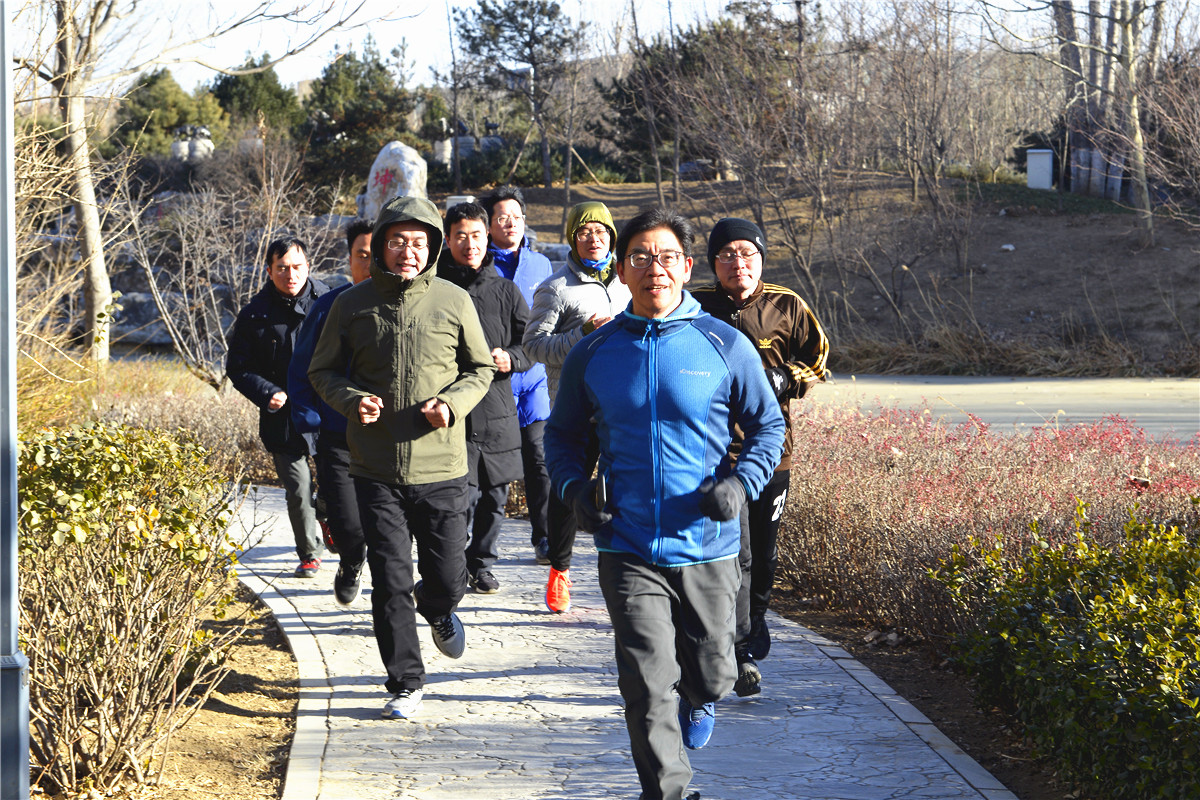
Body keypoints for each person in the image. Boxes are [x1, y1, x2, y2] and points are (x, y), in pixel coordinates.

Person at [544, 208, 785, 800]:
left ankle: (702, 696)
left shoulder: (724, 344)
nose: (655, 267)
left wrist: (741, 485)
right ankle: (668, 792)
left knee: (714, 672)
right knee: (646, 683)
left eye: (667, 256)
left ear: (686, 266)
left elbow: (768, 427)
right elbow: (562, 436)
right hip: (627, 545)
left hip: (707, 542)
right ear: (621, 269)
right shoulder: (593, 352)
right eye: (641, 257)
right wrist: (576, 491)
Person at [308, 196, 495, 720]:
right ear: (382, 246)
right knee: (390, 579)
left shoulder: (455, 300)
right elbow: (322, 371)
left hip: (443, 466)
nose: (408, 251)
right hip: (376, 466)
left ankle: (437, 607)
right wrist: (352, 400)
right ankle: (406, 681)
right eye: (397, 241)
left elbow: (480, 369)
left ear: (433, 246)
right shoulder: (352, 303)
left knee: (449, 577)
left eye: (418, 242)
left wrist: (451, 405)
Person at [692, 217, 829, 697]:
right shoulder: (694, 306)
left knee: (764, 553)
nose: (738, 263)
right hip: (711, 454)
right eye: (727, 255)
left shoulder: (787, 305)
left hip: (771, 451)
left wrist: (788, 377)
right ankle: (738, 648)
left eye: (747, 253)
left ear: (761, 258)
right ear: (713, 263)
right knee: (734, 553)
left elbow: (819, 358)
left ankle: (756, 622)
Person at [523, 201, 631, 613]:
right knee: (569, 486)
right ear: (572, 238)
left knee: (624, 484)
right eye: (584, 231)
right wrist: (583, 333)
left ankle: (625, 568)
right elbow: (534, 347)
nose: (593, 238)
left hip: (624, 403)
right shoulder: (555, 288)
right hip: (577, 404)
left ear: (612, 237)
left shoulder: (629, 280)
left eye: (601, 231)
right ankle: (560, 568)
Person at [437, 202, 532, 595]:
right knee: (459, 499)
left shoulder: (506, 291)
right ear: (448, 239)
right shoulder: (435, 288)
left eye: (476, 235)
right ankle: (451, 566)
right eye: (460, 235)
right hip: (452, 412)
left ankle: (482, 565)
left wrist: (511, 358)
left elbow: (530, 343)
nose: (469, 243)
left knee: (495, 497)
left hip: (496, 410)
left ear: (487, 236)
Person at [227, 236, 330, 578]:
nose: (291, 274)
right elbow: (238, 367)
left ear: (308, 267)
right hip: (282, 418)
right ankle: (309, 553)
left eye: (297, 266)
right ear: (269, 271)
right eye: (282, 268)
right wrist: (267, 391)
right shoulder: (254, 314)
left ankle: (329, 520)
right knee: (299, 490)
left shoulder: (331, 302)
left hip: (328, 411)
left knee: (335, 485)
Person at [287, 218, 373, 606]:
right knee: (348, 521)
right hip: (337, 436)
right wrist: (311, 426)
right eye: (361, 255)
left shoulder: (407, 307)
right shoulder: (328, 307)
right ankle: (351, 561)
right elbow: (302, 371)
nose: (369, 263)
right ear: (349, 259)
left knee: (388, 529)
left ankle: (389, 601)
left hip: (389, 440)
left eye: (376, 254)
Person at [479, 186, 554, 565]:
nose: (511, 223)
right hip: (495, 382)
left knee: (539, 460)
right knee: (496, 469)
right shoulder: (478, 266)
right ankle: (482, 551)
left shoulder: (541, 265)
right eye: (502, 217)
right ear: (489, 224)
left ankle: (545, 537)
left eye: (517, 217)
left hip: (535, 377)